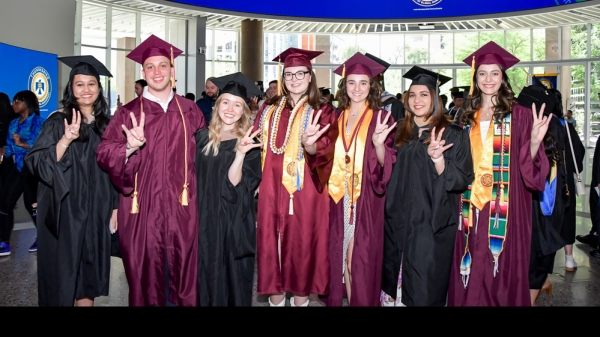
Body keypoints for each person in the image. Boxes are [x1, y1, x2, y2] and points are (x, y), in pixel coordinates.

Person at [96, 34, 206, 306]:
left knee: (184, 275)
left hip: (183, 207)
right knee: (145, 278)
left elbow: (205, 158)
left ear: (172, 70)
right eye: (150, 67)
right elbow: (104, 153)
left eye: (163, 65)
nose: (157, 72)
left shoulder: (190, 111)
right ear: (143, 72)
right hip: (141, 208)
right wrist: (129, 149)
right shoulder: (127, 113)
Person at [448, 41, 551, 306]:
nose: (488, 79)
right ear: (475, 77)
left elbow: (531, 173)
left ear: (503, 78)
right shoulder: (465, 117)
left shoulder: (520, 116)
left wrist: (536, 141)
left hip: (507, 207)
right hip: (470, 206)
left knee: (500, 270)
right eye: (482, 73)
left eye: (495, 73)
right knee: (470, 268)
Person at [25, 55, 118, 306]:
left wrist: (115, 207)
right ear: (71, 88)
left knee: (89, 274)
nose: (86, 90)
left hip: (97, 210)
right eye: (79, 84)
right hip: (66, 208)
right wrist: (65, 140)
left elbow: (114, 170)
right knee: (64, 274)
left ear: (99, 89)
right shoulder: (58, 120)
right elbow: (36, 162)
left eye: (91, 84)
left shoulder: (107, 125)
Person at [381, 66, 473, 307]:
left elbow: (461, 180)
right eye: (412, 95)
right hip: (397, 222)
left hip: (431, 225)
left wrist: (438, 159)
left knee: (424, 290)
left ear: (435, 98)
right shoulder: (400, 130)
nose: (417, 100)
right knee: (395, 290)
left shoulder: (453, 133)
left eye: (424, 94)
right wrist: (379, 146)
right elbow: (385, 171)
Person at [254, 47, 338, 307]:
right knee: (272, 247)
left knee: (302, 247)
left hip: (306, 193)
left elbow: (327, 152)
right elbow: (256, 148)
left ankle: (300, 302)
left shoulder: (322, 111)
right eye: (288, 74)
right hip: (270, 190)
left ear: (310, 76)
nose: (294, 79)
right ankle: (276, 303)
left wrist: (310, 145)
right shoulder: (269, 109)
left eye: (300, 73)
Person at [320, 53, 396, 307]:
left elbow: (388, 164)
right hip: (337, 199)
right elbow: (323, 157)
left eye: (363, 83)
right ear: (344, 86)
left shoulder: (381, 119)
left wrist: (378, 145)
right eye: (351, 82)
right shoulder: (334, 118)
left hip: (365, 201)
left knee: (357, 263)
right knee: (343, 263)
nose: (357, 88)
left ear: (372, 86)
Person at [195, 72, 262, 306]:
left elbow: (235, 186)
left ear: (244, 110)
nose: (230, 109)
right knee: (204, 277)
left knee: (231, 280)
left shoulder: (250, 142)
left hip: (233, 223)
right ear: (217, 104)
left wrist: (240, 155)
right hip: (204, 219)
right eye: (226, 102)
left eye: (237, 104)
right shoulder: (201, 138)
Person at [0, 90, 43, 256]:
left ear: (28, 103)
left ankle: (43, 237)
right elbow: (11, 148)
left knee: (31, 203)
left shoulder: (38, 122)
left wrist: (22, 143)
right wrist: (3, 151)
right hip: (18, 167)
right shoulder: (13, 124)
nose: (14, 104)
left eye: (18, 101)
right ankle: (4, 241)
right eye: (13, 101)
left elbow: (40, 145)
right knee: (5, 203)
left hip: (33, 169)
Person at [365, 53, 405, 121]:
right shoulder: (352, 104)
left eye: (371, 75)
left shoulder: (394, 104)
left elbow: (399, 130)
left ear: (379, 77)